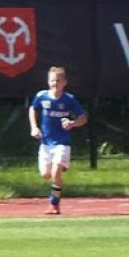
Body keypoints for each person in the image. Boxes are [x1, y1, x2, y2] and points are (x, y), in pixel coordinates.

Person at [28, 66, 87, 215]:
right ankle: (61, 167)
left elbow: (83, 118)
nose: (55, 83)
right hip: (46, 143)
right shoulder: (42, 96)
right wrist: (34, 127)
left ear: (64, 82)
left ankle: (54, 204)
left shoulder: (69, 99)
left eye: (58, 81)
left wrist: (72, 123)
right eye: (53, 80)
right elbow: (33, 109)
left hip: (62, 142)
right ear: (48, 82)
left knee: (55, 173)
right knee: (45, 174)